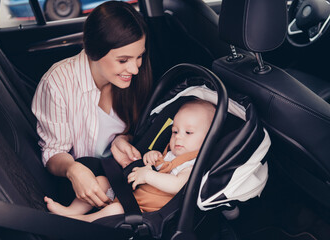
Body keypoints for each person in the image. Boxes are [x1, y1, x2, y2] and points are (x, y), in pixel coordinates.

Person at [31, 1, 152, 208]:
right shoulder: (57, 84)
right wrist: (73, 169)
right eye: (123, 60)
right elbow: (53, 152)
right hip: (84, 190)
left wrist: (122, 139)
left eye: (139, 57)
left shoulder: (135, 78)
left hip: (124, 177)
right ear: (95, 51)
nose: (134, 69)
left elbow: (141, 128)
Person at [44, 99, 216, 222]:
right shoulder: (171, 152)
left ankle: (84, 221)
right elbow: (158, 165)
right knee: (102, 182)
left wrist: (148, 176)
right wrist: (153, 157)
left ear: (209, 138)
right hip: (130, 193)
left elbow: (177, 184)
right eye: (175, 131)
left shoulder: (192, 164)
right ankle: (71, 211)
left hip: (144, 210)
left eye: (188, 133)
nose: (178, 138)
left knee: (117, 209)